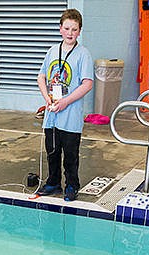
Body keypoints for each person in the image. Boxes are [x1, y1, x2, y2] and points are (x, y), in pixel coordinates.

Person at [36, 9, 93, 202]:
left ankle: (71, 185)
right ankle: (53, 182)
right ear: (60, 29)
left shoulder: (83, 54)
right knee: (52, 151)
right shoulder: (52, 51)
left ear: (80, 31)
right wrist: (47, 99)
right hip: (52, 114)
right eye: (67, 28)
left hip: (71, 116)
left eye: (74, 29)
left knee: (70, 154)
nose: (70, 33)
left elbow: (87, 83)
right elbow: (41, 76)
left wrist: (65, 102)